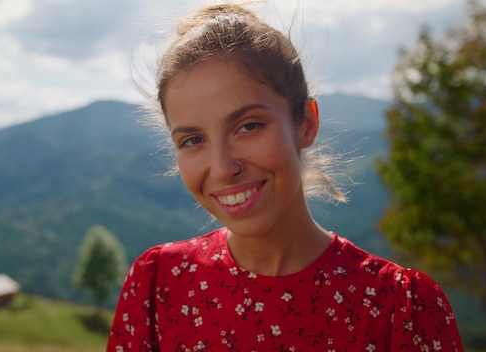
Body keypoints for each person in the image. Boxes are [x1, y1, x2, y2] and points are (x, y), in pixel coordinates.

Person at [107, 3, 463, 351]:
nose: (222, 168)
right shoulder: (157, 286)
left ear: (305, 124)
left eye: (248, 126)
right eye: (193, 140)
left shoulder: (401, 308)